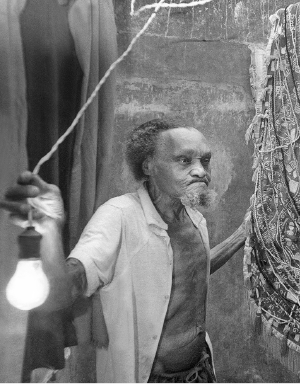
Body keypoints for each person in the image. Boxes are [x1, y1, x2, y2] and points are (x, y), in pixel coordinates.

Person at [0, 119, 248, 383]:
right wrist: (49, 229)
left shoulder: (194, 218)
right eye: (184, 161)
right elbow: (59, 295)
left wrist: (239, 237)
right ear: (148, 166)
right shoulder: (118, 217)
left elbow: (193, 271)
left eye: (205, 160)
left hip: (200, 370)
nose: (201, 171)